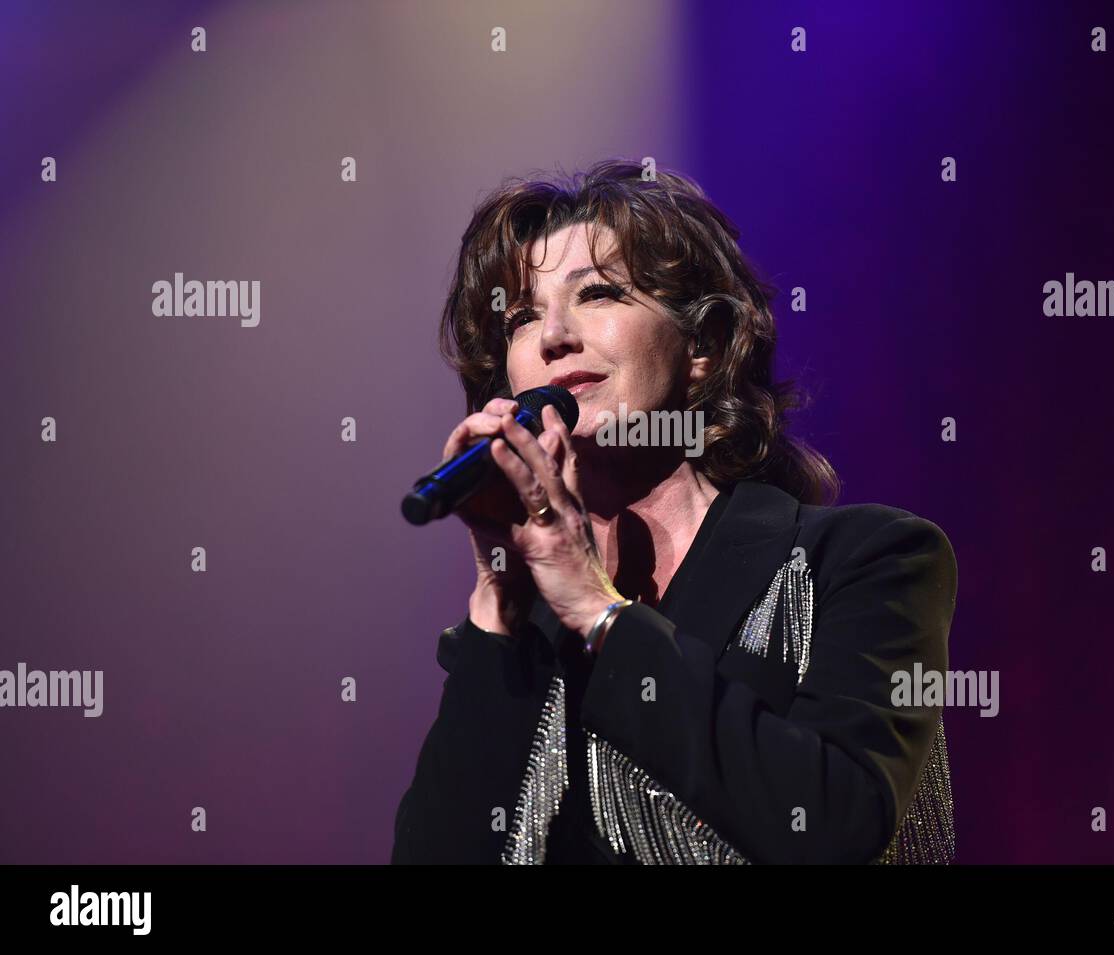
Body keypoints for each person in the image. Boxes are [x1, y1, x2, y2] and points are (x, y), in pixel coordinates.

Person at [391, 159, 958, 865]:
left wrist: (599, 610)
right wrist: (499, 604)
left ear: (704, 346)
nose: (552, 335)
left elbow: (833, 820)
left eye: (598, 292)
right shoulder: (514, 636)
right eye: (521, 316)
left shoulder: (868, 560)